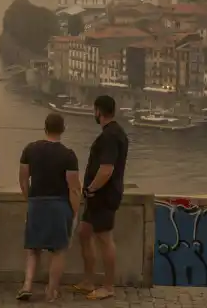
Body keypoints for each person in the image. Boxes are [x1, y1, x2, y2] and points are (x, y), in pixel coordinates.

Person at [17, 113, 80, 302]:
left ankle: (27, 285)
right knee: (59, 250)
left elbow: (23, 179)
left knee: (33, 248)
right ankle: (51, 291)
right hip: (58, 206)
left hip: (36, 203)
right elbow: (74, 188)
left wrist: (31, 199)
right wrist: (74, 213)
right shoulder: (68, 155)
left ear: (44, 128)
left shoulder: (30, 149)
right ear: (62, 129)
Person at [75, 95, 129, 301]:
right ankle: (88, 280)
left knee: (105, 240)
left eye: (94, 110)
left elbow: (106, 169)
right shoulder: (114, 133)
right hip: (99, 196)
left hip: (103, 196)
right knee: (84, 232)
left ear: (98, 111)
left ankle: (108, 286)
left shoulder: (109, 136)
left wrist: (90, 189)